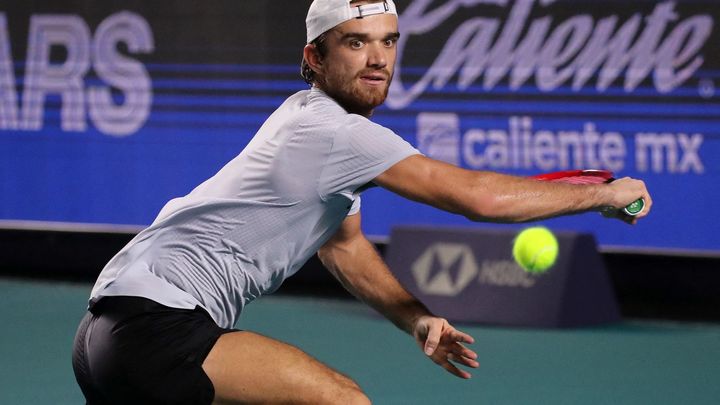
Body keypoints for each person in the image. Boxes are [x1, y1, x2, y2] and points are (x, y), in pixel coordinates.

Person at [72, 0, 653, 404]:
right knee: (341, 400)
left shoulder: (304, 118)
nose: (378, 59)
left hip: (104, 334)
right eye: (356, 43)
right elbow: (478, 198)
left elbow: (344, 246)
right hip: (158, 329)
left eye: (388, 42)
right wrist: (601, 195)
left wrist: (416, 317)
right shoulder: (340, 134)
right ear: (315, 58)